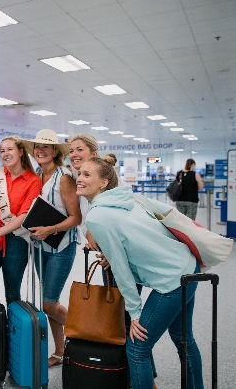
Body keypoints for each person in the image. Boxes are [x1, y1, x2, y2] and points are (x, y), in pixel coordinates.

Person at [77, 157, 203, 389]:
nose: (79, 178)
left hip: (172, 280)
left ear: (104, 182)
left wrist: (134, 312)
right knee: (184, 339)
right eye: (80, 173)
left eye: (87, 175)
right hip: (187, 266)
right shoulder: (126, 198)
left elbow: (121, 269)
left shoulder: (97, 217)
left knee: (137, 348)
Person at [23, 130, 82, 368]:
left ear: (55, 151)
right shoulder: (37, 176)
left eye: (46, 147)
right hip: (41, 247)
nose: (41, 151)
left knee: (49, 303)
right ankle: (60, 352)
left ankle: (85, 332)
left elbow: (75, 218)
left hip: (61, 247)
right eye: (37, 147)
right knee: (50, 303)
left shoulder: (64, 178)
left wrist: (51, 229)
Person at [0, 136, 42, 305]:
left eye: (10, 149)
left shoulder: (33, 181)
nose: (5, 154)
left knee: (12, 291)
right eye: (2, 151)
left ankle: (13, 330)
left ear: (20, 152)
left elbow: (24, 215)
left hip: (17, 238)